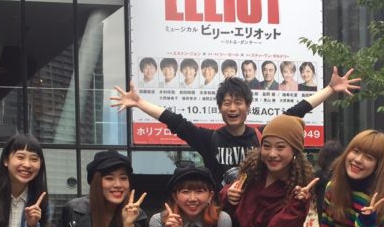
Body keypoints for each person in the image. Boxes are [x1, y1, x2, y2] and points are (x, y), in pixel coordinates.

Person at [111, 69, 359, 184]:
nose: (232, 108)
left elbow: (297, 110)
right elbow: (175, 122)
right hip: (223, 216)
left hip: (259, 211)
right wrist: (140, 103)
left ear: (247, 106)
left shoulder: (263, 135)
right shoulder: (209, 139)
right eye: (227, 103)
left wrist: (330, 90)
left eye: (238, 102)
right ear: (220, 108)